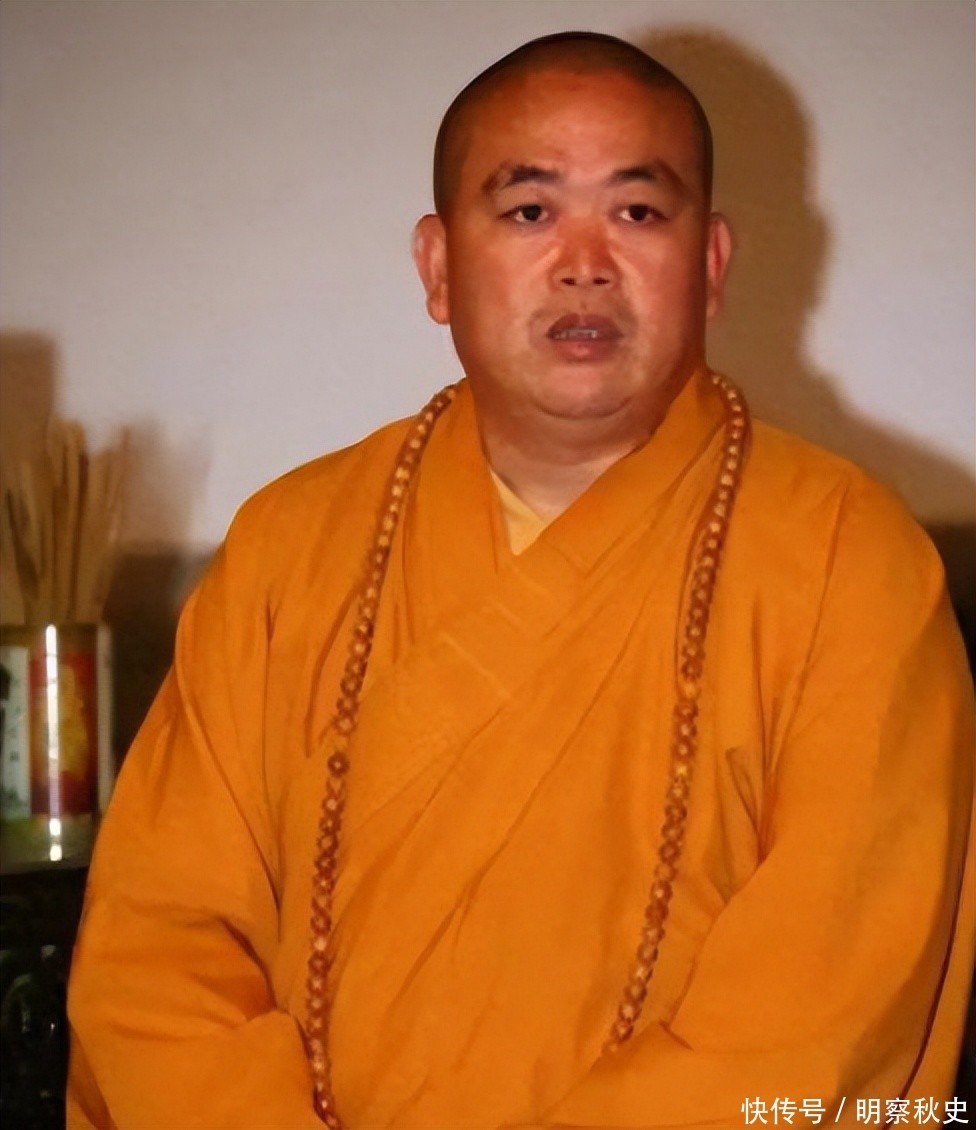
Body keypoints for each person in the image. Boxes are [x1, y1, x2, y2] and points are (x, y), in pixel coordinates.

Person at [66, 31, 973, 1130]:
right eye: (530, 209)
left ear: (711, 262)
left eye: (637, 210)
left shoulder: (849, 561)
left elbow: (823, 1016)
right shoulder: (289, 549)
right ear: (438, 266)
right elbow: (158, 951)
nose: (586, 262)